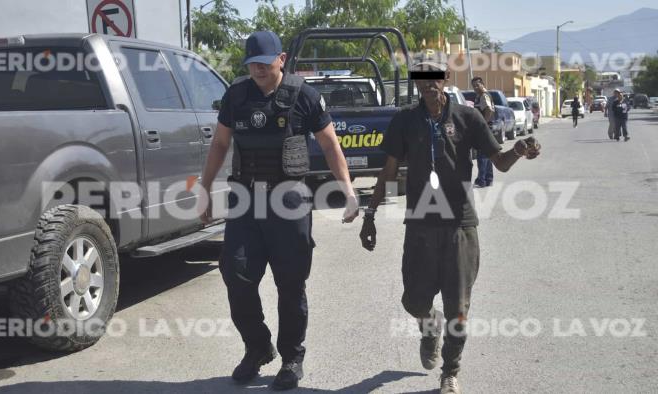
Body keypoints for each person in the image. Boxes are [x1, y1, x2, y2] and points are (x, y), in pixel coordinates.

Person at [359, 60, 541, 394]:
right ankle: (430, 327)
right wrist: (369, 215)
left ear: (445, 80)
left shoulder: (467, 117)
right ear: (416, 84)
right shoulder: (404, 121)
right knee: (414, 301)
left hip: (460, 225)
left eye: (434, 79)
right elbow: (388, 171)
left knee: (458, 309)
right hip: (420, 227)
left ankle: (450, 371)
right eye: (422, 80)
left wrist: (518, 150)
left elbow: (498, 161)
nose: (428, 85)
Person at [199, 31, 359, 390]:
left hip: (289, 200)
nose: (257, 68)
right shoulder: (236, 95)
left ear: (281, 59)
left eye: (264, 62)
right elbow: (221, 143)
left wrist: (347, 190)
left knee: (290, 282)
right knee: (236, 274)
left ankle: (291, 357)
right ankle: (257, 348)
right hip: (245, 199)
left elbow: (329, 143)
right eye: (252, 63)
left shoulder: (304, 95)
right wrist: (205, 189)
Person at [471, 76, 495, 187]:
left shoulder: (484, 96)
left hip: (485, 128)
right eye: (473, 86)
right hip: (487, 128)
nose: (475, 87)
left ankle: (482, 180)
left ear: (482, 84)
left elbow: (489, 110)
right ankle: (488, 178)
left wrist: (483, 124)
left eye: (477, 85)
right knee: (488, 154)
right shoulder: (480, 95)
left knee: (482, 155)